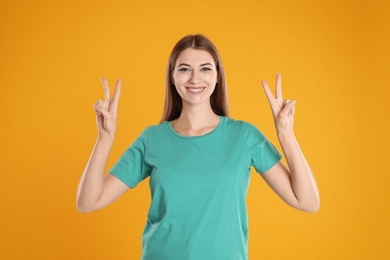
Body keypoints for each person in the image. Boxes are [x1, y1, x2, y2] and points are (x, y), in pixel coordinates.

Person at [76, 34, 319, 260]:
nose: (195, 79)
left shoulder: (243, 136)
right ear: (172, 77)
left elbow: (307, 201)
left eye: (205, 69)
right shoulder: (153, 139)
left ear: (217, 76)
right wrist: (105, 138)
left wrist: (286, 134)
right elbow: (88, 202)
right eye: (184, 69)